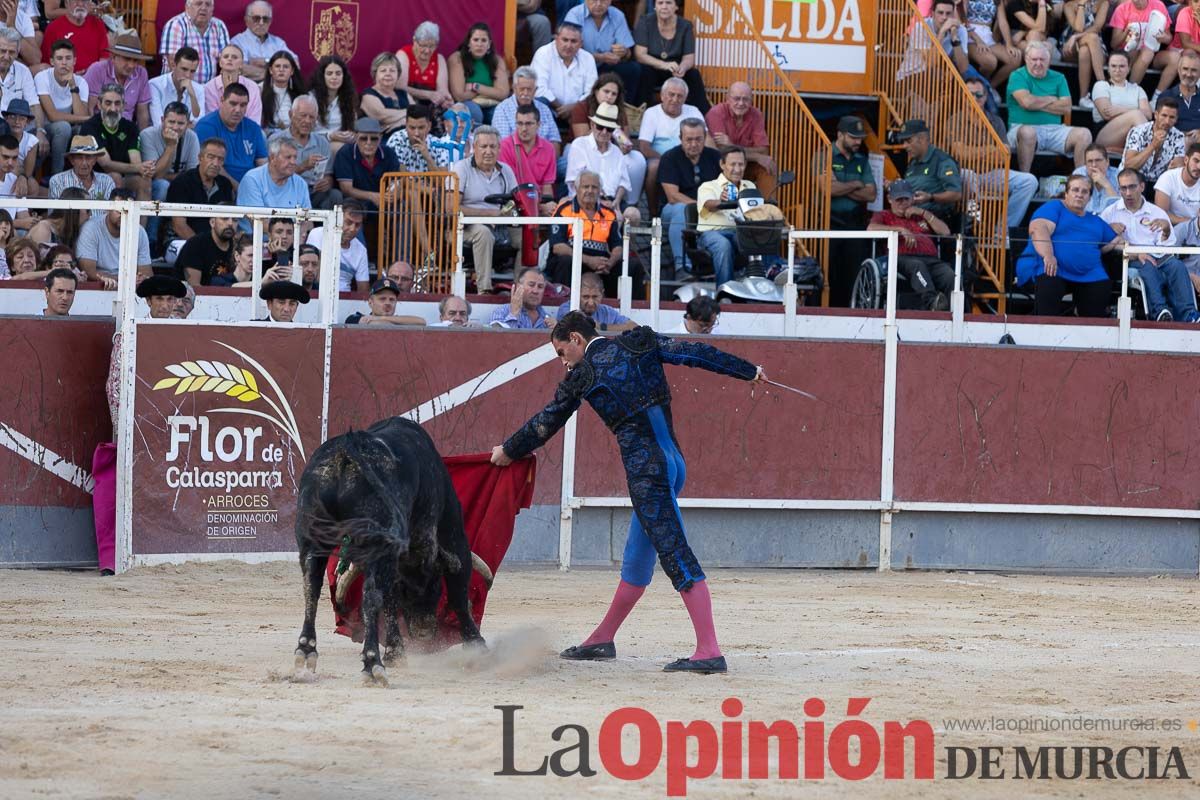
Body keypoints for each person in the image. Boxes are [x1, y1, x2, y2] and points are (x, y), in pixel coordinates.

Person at [490, 310, 767, 674]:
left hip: (647, 470)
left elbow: (547, 421)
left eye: (561, 352)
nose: (563, 362)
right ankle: (602, 639)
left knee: (674, 550)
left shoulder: (584, 374)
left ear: (576, 339)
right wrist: (747, 370)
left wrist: (508, 451)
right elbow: (696, 354)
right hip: (673, 462)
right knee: (638, 557)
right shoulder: (640, 342)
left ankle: (709, 650)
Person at [1101, 167, 1200, 321]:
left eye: (1132, 187)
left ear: (1142, 186)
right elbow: (1101, 245)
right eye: (1123, 188)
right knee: (1147, 264)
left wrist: (1166, 230)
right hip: (1128, 259)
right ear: (1119, 189)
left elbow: (1168, 246)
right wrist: (1110, 230)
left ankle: (1189, 314)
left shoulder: (1157, 213)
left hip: (1158, 256)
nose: (1128, 193)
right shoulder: (1110, 213)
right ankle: (1160, 311)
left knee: (1177, 266)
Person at [1015, 174, 1119, 316]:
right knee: (1049, 280)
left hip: (1089, 274)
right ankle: (1044, 331)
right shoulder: (1054, 207)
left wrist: (1139, 252)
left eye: (1084, 192)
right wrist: (1048, 255)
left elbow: (1113, 243)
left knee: (1101, 288)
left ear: (1090, 197)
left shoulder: (1095, 220)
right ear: (1066, 193)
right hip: (1053, 268)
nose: (1079, 195)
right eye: (1075, 190)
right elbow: (1038, 229)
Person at [867, 179, 954, 311]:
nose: (903, 203)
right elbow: (870, 228)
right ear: (890, 199)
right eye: (898, 200)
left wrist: (923, 213)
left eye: (906, 199)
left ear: (912, 199)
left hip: (931, 259)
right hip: (901, 258)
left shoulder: (920, 216)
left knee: (949, 274)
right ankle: (932, 303)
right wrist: (900, 230)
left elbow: (946, 231)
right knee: (917, 266)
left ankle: (958, 311)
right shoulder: (884, 215)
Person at [1006, 41, 1092, 172]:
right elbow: (1026, 102)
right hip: (1022, 127)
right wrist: (1051, 99)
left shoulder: (1059, 77)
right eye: (1034, 59)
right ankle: (1025, 177)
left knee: (1085, 134)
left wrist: (1035, 103)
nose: (1038, 63)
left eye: (1042, 60)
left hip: (1054, 129)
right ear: (1026, 59)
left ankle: (1080, 179)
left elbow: (1066, 108)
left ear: (1049, 61)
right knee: (1028, 132)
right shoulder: (1017, 75)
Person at [454, 125, 519, 293]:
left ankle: (521, 287)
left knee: (525, 237)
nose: (488, 151)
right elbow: (450, 207)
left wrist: (510, 213)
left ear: (499, 149)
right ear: (474, 147)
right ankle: (484, 290)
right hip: (464, 227)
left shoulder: (506, 171)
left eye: (492, 146)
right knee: (483, 233)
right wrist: (489, 214)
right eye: (483, 146)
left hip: (500, 224)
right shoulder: (462, 168)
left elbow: (516, 201)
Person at [547, 169, 628, 294]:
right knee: (565, 261)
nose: (590, 191)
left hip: (601, 263)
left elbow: (618, 246)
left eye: (594, 187)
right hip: (572, 258)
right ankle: (562, 304)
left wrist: (610, 263)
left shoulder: (609, 213)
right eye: (586, 187)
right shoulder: (564, 210)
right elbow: (558, 247)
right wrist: (588, 260)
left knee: (632, 266)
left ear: (600, 190)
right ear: (577, 188)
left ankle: (618, 307)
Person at [658, 117, 720, 274]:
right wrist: (701, 207)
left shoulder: (716, 157)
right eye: (689, 139)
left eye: (698, 139)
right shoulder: (669, 157)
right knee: (681, 209)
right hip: (673, 212)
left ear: (705, 138)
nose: (694, 144)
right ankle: (682, 267)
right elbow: (672, 196)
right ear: (680, 138)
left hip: (710, 211)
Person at [569, 74, 645, 200]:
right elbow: (582, 138)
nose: (609, 96)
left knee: (637, 159)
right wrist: (602, 124)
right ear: (596, 91)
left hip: (610, 148)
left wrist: (613, 129)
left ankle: (631, 201)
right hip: (583, 147)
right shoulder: (582, 106)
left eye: (613, 94)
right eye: (606, 91)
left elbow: (626, 145)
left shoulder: (618, 110)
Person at [828, 115, 878, 305]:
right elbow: (828, 189)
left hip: (855, 224)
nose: (858, 141)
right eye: (853, 137)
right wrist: (857, 184)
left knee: (854, 272)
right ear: (840, 135)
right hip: (829, 223)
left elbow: (871, 194)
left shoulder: (861, 160)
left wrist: (841, 187)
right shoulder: (825, 155)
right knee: (831, 272)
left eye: (860, 138)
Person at [565, 101, 640, 223]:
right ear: (592, 125)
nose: (604, 132)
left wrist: (616, 201)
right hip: (586, 200)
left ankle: (626, 243)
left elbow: (623, 183)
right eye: (600, 127)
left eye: (609, 129)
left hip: (613, 200)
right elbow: (574, 181)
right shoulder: (579, 145)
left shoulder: (616, 151)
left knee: (633, 214)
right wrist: (600, 200)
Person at [704, 82, 778, 200]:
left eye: (746, 99)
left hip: (746, 165)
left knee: (768, 165)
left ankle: (767, 210)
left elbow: (763, 150)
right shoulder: (716, 113)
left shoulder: (756, 114)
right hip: (723, 167)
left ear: (751, 100)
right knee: (732, 163)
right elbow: (722, 151)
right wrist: (756, 156)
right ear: (727, 99)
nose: (741, 103)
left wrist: (731, 145)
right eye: (736, 99)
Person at [637, 76, 700, 210]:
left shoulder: (693, 111)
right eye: (671, 95)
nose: (675, 100)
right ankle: (653, 215)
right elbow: (644, 146)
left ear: (685, 98)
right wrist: (668, 161)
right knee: (654, 167)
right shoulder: (651, 113)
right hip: (661, 160)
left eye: (680, 96)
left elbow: (706, 139)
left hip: (690, 157)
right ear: (662, 96)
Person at [696, 145, 755, 286]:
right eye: (732, 164)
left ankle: (760, 285)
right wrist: (722, 201)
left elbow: (757, 210)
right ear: (722, 165)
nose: (737, 169)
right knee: (723, 244)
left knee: (758, 242)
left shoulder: (750, 186)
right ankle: (725, 291)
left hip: (740, 232)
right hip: (712, 233)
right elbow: (709, 204)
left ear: (745, 165)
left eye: (741, 164)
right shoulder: (708, 186)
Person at [634, 0, 708, 111]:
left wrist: (682, 68)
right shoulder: (645, 21)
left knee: (693, 74)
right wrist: (664, 65)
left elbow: (689, 57)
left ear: (676, 7)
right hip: (653, 67)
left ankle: (702, 116)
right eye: (660, 3)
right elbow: (640, 55)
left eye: (668, 3)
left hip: (675, 70)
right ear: (655, 6)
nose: (664, 7)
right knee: (644, 72)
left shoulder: (685, 25)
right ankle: (641, 114)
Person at [81, 85, 149, 199]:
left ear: (124, 106)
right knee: (115, 177)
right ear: (99, 104)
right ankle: (115, 217)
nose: (113, 108)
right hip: (93, 176)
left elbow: (136, 161)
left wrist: (141, 168)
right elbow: (106, 164)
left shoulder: (130, 127)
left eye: (117, 103)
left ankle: (139, 217)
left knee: (144, 181)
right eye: (108, 103)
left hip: (123, 176)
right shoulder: (90, 126)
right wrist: (138, 167)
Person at [564, 0, 640, 103]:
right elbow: (569, 51)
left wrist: (624, 52)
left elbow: (628, 54)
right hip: (581, 65)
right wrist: (599, 57)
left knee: (633, 69)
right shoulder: (575, 15)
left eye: (603, 0)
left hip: (607, 66)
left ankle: (625, 110)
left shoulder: (617, 15)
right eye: (594, 0)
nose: (599, 4)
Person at [193, 82, 267, 185]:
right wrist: (238, 188)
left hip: (251, 184)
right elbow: (212, 166)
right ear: (222, 101)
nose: (238, 110)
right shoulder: (206, 126)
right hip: (219, 183)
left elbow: (262, 164)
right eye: (233, 104)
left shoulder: (253, 127)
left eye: (243, 105)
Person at [36, 38, 91, 174]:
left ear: (75, 61)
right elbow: (53, 116)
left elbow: (81, 114)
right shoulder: (42, 77)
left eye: (68, 58)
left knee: (82, 130)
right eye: (59, 58)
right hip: (45, 128)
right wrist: (85, 119)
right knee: (63, 127)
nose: (64, 63)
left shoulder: (81, 82)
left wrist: (73, 87)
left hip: (68, 129)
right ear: (52, 61)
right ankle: (57, 175)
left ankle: (81, 175)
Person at [272, 95, 337, 209]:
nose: (307, 121)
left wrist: (327, 182)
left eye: (312, 117)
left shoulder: (322, 143)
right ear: (291, 115)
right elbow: (272, 177)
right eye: (303, 116)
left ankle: (322, 228)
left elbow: (328, 175)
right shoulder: (276, 140)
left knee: (334, 195)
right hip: (286, 191)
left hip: (314, 192)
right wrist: (303, 167)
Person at [164, 137, 233, 243]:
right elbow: (179, 225)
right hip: (179, 241)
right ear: (200, 158)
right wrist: (202, 247)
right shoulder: (182, 182)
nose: (215, 163)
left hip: (213, 244)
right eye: (211, 157)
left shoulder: (225, 185)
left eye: (220, 159)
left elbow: (227, 222)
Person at [77, 187, 152, 282]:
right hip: (99, 286)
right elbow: (89, 272)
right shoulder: (91, 228)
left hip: (130, 287)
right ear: (108, 209)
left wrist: (140, 279)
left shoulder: (139, 231)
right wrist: (126, 281)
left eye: (128, 212)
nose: (123, 216)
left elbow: (146, 273)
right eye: (119, 211)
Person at [896, 119, 963, 225]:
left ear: (922, 139)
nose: (904, 146)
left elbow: (956, 194)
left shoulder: (942, 161)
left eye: (908, 141)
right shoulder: (912, 163)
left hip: (935, 221)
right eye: (903, 142)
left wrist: (931, 197)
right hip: (912, 218)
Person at [1109, 0, 1178, 100]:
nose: (1137, 2)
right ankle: (1127, 92)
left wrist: (1163, 37)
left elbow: (1168, 38)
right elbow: (1114, 44)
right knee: (1141, 50)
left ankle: (1156, 98)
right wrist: (1127, 32)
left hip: (1152, 52)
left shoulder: (1158, 6)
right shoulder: (1122, 8)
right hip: (1127, 53)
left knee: (1169, 57)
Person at [83, 33, 152, 131]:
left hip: (126, 130)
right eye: (127, 59)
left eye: (135, 60)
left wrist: (142, 138)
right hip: (100, 127)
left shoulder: (141, 73)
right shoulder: (97, 70)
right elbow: (89, 108)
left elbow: (142, 112)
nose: (131, 65)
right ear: (113, 57)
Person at [531, 22, 597, 123]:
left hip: (578, 111)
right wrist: (562, 109)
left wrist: (574, 108)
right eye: (565, 40)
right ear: (556, 39)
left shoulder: (588, 58)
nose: (568, 45)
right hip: (550, 109)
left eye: (573, 41)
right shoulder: (543, 53)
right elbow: (539, 88)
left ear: (581, 43)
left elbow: (591, 91)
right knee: (539, 102)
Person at [498, 104, 557, 215]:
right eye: (520, 124)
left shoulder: (548, 148)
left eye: (529, 124)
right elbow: (510, 188)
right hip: (514, 203)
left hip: (539, 202)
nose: (524, 129)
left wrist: (548, 206)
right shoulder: (505, 146)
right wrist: (539, 207)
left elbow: (547, 186)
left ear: (538, 125)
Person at [447, 23, 510, 125]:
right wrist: (490, 91)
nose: (479, 44)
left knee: (499, 114)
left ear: (489, 44)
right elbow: (459, 96)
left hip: (491, 103)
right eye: (475, 40)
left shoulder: (497, 60)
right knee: (475, 112)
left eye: (483, 40)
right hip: (467, 103)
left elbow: (503, 94)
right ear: (468, 42)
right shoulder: (457, 58)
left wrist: (475, 87)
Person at [139, 101, 200, 204]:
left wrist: (172, 177)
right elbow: (155, 175)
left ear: (188, 124)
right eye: (171, 122)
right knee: (163, 186)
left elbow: (193, 175)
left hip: (182, 184)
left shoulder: (192, 137)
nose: (175, 128)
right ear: (163, 120)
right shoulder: (147, 135)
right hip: (153, 186)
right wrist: (171, 146)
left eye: (181, 123)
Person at [1089, 51, 1151, 150]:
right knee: (1137, 115)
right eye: (1113, 66)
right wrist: (1134, 111)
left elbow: (1148, 114)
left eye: (1122, 66)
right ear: (1108, 69)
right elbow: (1107, 114)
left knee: (1137, 116)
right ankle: (1150, 150)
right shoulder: (1101, 85)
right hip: (1105, 134)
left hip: (1132, 134)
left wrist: (1121, 110)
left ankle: (1140, 150)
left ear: (1128, 69)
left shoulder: (1137, 89)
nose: (1117, 70)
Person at [159, 0, 230, 84]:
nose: (203, 8)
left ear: (212, 9)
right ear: (187, 7)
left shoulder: (219, 26)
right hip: (178, 87)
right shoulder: (176, 25)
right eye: (198, 3)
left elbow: (227, 60)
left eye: (208, 4)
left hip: (209, 90)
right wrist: (193, 91)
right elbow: (173, 63)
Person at [492, 66, 561, 153]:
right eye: (522, 89)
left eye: (529, 89)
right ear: (514, 88)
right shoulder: (502, 109)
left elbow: (555, 142)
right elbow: (503, 146)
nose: (525, 93)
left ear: (535, 90)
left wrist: (545, 161)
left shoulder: (544, 109)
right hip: (514, 162)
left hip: (544, 161)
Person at [305, 198, 369, 291]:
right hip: (318, 294)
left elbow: (363, 291)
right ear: (336, 219)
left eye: (357, 225)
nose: (352, 229)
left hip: (346, 300)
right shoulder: (318, 234)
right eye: (349, 222)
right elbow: (314, 274)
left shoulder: (361, 250)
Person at [1122, 96, 1186, 183]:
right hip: (1132, 179)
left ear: (1176, 119)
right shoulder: (1138, 132)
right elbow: (1129, 166)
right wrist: (1152, 146)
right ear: (1156, 115)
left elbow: (1178, 167)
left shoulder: (1178, 136)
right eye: (1164, 115)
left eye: (1172, 117)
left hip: (1159, 183)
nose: (1167, 121)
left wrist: (1176, 167)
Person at [230, 1, 295, 82]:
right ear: (246, 20)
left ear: (270, 22)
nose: (261, 23)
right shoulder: (237, 42)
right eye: (256, 18)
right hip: (249, 91)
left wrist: (266, 61)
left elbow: (295, 63)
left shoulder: (278, 43)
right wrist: (278, 72)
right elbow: (240, 68)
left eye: (265, 19)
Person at [1060, 0, 1109, 108]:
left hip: (1094, 45)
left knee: (1085, 50)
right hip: (1071, 46)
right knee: (1092, 38)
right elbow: (1078, 28)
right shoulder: (1068, 5)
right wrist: (1081, 5)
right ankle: (1103, 85)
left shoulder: (1103, 3)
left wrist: (1076, 37)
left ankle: (1083, 97)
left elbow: (1096, 27)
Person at [399, 21, 454, 112]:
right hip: (407, 103)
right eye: (423, 45)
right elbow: (400, 87)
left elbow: (443, 90)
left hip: (430, 105)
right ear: (414, 41)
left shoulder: (439, 59)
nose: (427, 51)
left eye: (432, 46)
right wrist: (428, 94)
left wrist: (446, 99)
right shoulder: (403, 55)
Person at [203, 43, 262, 124]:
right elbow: (212, 119)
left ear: (241, 64)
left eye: (234, 57)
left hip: (246, 130)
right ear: (220, 63)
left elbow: (254, 120)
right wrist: (227, 93)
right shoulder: (209, 87)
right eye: (226, 56)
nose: (229, 59)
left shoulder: (252, 87)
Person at [308, 54, 357, 152]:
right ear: (322, 76)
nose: (334, 77)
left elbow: (353, 128)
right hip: (313, 144)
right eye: (329, 73)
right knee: (342, 149)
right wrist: (330, 136)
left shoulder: (348, 98)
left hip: (343, 144)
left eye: (338, 73)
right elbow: (304, 132)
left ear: (344, 76)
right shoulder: (310, 98)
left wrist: (351, 135)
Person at [42, 0, 108, 72]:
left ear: (89, 3)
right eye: (75, 0)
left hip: (93, 79)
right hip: (64, 79)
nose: (80, 4)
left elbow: (104, 58)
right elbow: (48, 63)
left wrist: (92, 75)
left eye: (84, 1)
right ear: (67, 3)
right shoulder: (53, 28)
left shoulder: (98, 24)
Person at [385, 101, 452, 172]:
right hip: (405, 183)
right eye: (412, 128)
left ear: (429, 126)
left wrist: (427, 157)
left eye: (421, 128)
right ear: (406, 125)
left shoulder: (438, 144)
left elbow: (442, 181)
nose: (416, 133)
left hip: (429, 183)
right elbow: (400, 176)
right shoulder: (397, 139)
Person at [49, 134, 116, 203]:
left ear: (95, 160)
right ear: (72, 160)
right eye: (79, 158)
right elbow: (56, 213)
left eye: (88, 157)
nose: (84, 163)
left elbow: (112, 211)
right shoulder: (58, 181)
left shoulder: (107, 181)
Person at [148, 46, 204, 128]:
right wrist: (186, 125)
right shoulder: (155, 85)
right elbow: (159, 124)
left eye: (192, 71)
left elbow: (198, 124)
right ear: (174, 65)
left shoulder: (199, 89)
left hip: (187, 138)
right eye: (184, 69)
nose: (188, 75)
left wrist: (192, 95)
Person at [173, 211, 235, 285]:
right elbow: (194, 287)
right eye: (225, 219)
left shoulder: (239, 245)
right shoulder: (195, 244)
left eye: (235, 220)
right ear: (212, 222)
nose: (231, 223)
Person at [559, 270, 635, 330]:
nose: (591, 303)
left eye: (595, 297)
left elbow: (633, 326)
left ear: (602, 294)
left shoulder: (607, 311)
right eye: (585, 297)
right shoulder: (566, 309)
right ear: (576, 294)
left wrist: (602, 327)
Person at [360, 51, 409, 138]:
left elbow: (418, 115)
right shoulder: (368, 94)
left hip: (409, 137)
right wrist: (409, 114)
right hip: (381, 141)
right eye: (383, 70)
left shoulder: (403, 93)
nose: (388, 74)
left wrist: (401, 122)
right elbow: (382, 116)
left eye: (392, 70)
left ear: (398, 74)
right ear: (375, 74)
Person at [1154, 142, 1200, 232]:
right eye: (1196, 161)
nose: (1199, 166)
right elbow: (1161, 215)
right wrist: (1189, 222)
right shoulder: (1168, 178)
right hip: (1171, 229)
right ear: (1186, 160)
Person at [489, 266, 554, 328]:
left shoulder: (548, 320)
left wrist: (557, 331)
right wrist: (513, 315)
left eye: (540, 287)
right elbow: (499, 338)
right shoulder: (502, 312)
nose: (535, 291)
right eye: (531, 285)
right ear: (518, 287)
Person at [343, 278, 427, 325]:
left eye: (392, 299)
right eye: (382, 299)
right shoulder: (356, 317)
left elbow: (421, 322)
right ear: (370, 302)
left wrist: (380, 318)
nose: (387, 303)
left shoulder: (396, 319)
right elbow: (379, 325)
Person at [260, 50, 304, 135]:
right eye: (277, 66)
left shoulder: (299, 93)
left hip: (293, 136)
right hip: (267, 136)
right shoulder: (259, 90)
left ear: (292, 71)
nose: (281, 70)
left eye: (286, 67)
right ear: (270, 70)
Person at [1161, 49, 1200, 145]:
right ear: (1178, 70)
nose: (1189, 74)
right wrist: (1186, 136)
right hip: (1175, 145)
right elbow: (1161, 128)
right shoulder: (1167, 97)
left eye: (1194, 70)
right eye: (1185, 69)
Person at [1074, 142, 1121, 214]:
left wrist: (1106, 185)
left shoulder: (1118, 176)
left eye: (1098, 160)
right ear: (1085, 164)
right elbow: (1076, 206)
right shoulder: (1079, 174)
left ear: (1107, 162)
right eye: (1090, 161)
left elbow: (1118, 211)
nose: (1094, 165)